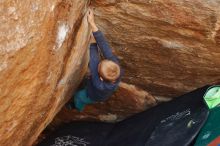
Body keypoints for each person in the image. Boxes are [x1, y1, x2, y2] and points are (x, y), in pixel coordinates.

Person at [66, 9, 122, 111]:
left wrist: (92, 44)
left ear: (100, 77)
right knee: (90, 82)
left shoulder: (98, 83)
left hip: (93, 95)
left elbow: (94, 61)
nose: (102, 61)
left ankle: (77, 107)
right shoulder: (117, 68)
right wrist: (92, 24)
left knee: (79, 96)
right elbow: (105, 48)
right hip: (107, 89)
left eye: (100, 65)